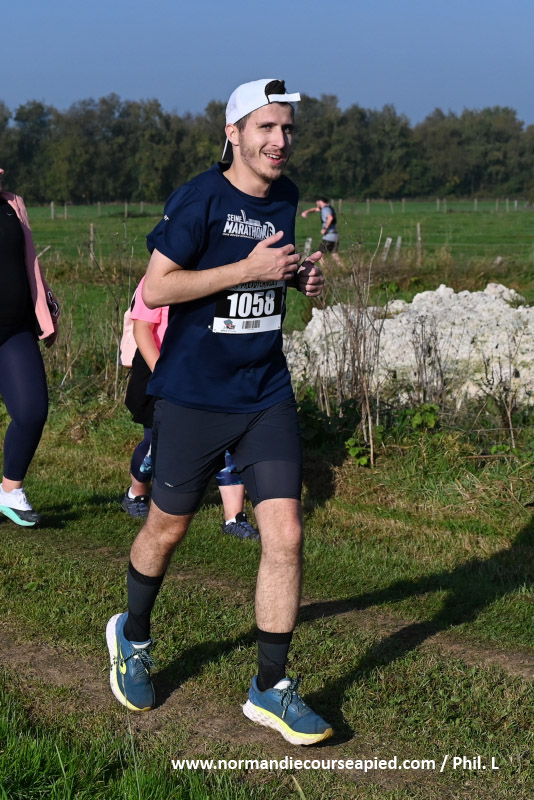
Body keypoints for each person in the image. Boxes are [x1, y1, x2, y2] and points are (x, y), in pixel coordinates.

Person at [106, 78, 333, 745]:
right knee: (167, 529)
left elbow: (269, 277)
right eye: (266, 127)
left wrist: (300, 279)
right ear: (233, 134)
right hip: (193, 396)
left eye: (287, 129)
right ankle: (132, 636)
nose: (280, 141)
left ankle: (270, 687)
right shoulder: (200, 198)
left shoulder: (287, 197)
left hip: (265, 393)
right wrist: (246, 271)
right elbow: (157, 288)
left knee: (286, 533)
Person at [121, 276, 259, 539]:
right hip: (160, 371)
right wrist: (164, 376)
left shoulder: (216, 275)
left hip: (209, 371)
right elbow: (142, 330)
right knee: (155, 445)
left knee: (228, 442)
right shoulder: (157, 278)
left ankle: (234, 518)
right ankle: (136, 494)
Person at [0, 167, 60, 526]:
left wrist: (46, 307)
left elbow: (29, 263)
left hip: (14, 329)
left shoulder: (13, 205)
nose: (1, 170)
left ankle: (10, 492)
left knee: (32, 411)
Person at [301, 196, 342, 265]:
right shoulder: (328, 208)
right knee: (334, 254)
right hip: (335, 235)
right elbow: (315, 209)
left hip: (328, 236)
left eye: (317, 202)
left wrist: (325, 229)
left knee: (319, 255)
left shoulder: (325, 209)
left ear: (320, 201)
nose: (316, 204)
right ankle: (343, 268)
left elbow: (330, 218)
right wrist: (306, 212)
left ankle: (325, 269)